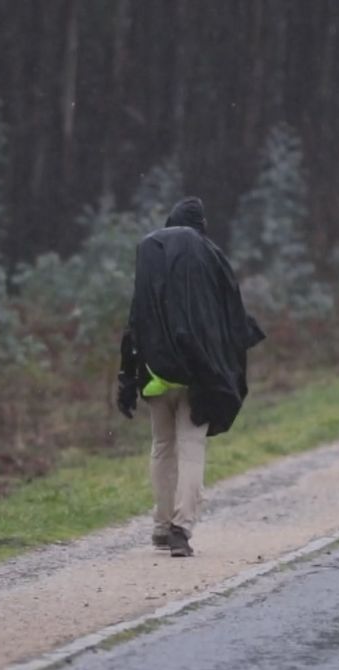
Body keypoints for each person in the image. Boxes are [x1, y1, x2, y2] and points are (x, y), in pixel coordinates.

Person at [117, 197, 265, 557]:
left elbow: (136, 316)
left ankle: (160, 526)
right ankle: (182, 529)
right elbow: (229, 311)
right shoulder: (209, 256)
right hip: (199, 372)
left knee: (162, 448)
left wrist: (126, 373)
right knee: (191, 448)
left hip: (156, 371)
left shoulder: (150, 253)